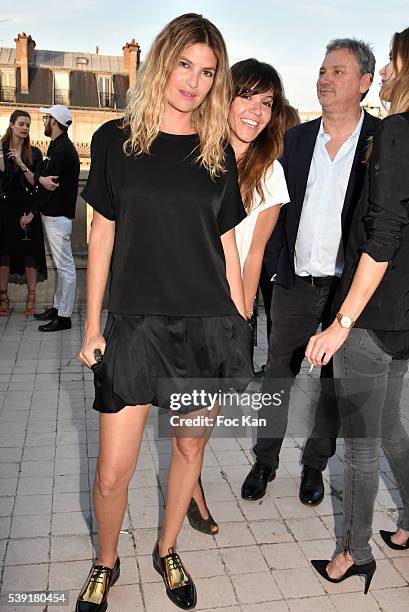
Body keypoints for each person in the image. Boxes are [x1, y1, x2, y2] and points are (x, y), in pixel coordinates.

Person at [76, 13, 253, 611]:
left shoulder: (216, 153)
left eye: (208, 72)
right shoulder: (115, 142)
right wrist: (93, 324)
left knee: (188, 451)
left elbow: (226, 244)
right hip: (133, 324)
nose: (195, 82)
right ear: (162, 62)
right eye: (185, 65)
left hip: (205, 325)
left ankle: (168, 547)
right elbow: (102, 235)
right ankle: (105, 560)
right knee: (110, 474)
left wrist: (240, 328)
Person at [241, 38, 380, 505]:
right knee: (278, 375)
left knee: (333, 385)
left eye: (338, 72)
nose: (325, 78)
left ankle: (315, 466)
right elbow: (274, 211)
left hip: (346, 291)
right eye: (323, 70)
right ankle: (265, 461)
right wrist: (279, 270)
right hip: (296, 284)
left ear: (364, 83)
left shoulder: (382, 144)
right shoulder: (294, 140)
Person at [306, 26, 409, 593]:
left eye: (393, 62)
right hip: (405, 319)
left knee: (361, 443)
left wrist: (342, 322)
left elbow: (385, 233)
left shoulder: (394, 129)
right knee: (390, 427)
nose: (388, 73)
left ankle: (353, 552)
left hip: (374, 314)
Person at [186, 58, 289, 536]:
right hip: (177, 302)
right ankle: (193, 492)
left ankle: (190, 488)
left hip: (225, 312)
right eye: (246, 96)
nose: (256, 110)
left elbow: (253, 258)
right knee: (185, 416)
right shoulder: (192, 155)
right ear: (225, 96)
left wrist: (240, 323)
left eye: (266, 102)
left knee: (201, 417)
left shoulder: (270, 173)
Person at [258, 102, 301, 351]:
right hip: (273, 258)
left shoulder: (277, 168)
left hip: (273, 259)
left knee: (277, 318)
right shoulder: (273, 166)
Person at [33, 104, 80, 332]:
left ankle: (64, 316)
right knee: (63, 267)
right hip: (54, 214)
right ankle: (57, 307)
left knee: (65, 267)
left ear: (54, 122)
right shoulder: (58, 146)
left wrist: (40, 179)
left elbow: (46, 181)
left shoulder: (62, 150)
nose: (44, 122)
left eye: (46, 118)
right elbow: (43, 175)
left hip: (57, 216)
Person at [0, 110, 46, 316]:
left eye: (27, 125)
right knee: (4, 255)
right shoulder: (0, 149)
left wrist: (19, 162)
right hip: (5, 208)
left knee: (30, 255)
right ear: (11, 125)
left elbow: (36, 182)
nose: (25, 128)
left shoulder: (34, 153)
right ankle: (3, 299)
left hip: (28, 208)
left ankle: (31, 298)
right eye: (21, 124)